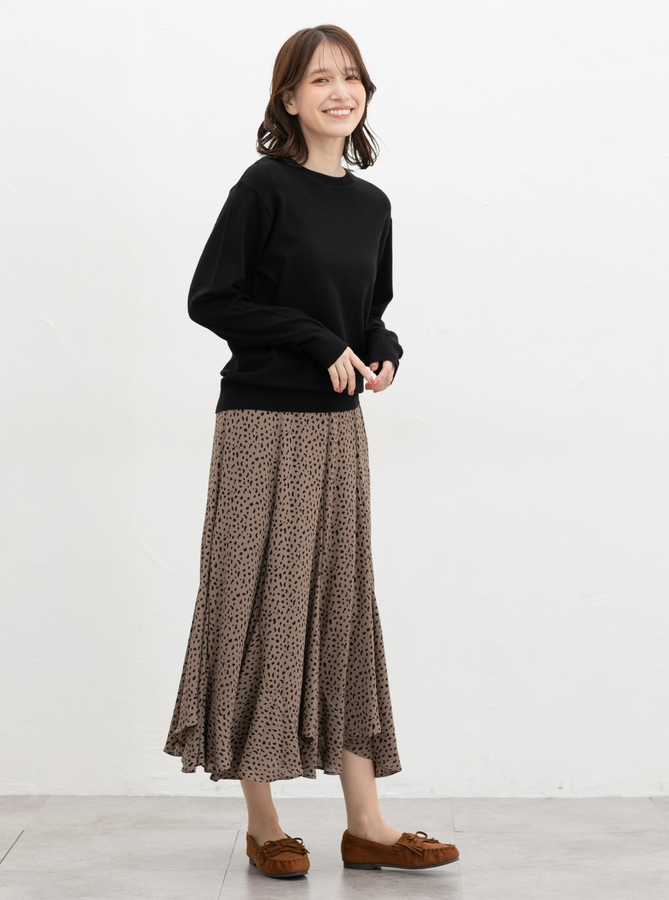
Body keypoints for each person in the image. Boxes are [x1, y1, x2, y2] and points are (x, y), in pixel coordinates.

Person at [163, 24, 459, 878]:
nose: (340, 91)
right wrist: (310, 338)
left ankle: (366, 823)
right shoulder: (264, 187)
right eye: (320, 78)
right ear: (288, 98)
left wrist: (383, 345)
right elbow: (212, 297)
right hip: (261, 423)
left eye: (352, 77)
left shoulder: (372, 205)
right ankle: (264, 823)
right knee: (258, 603)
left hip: (337, 431)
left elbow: (366, 311)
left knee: (341, 605)